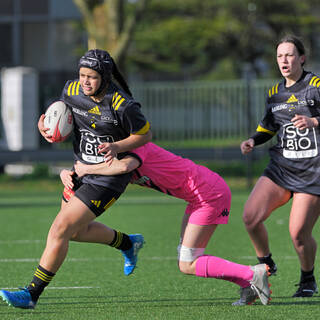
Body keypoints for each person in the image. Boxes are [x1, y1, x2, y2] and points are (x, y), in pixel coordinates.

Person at [0, 49, 152, 309]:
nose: (85, 82)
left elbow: (144, 136)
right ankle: (128, 243)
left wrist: (117, 146)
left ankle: (31, 294)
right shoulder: (71, 91)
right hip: (81, 170)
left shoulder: (122, 104)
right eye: (82, 75)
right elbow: (62, 120)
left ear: (104, 77)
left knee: (60, 229)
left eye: (91, 77)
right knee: (76, 233)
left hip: (109, 177)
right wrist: (47, 129)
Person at [60, 142, 271, 306]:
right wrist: (66, 173)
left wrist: (85, 169)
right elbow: (94, 169)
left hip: (209, 194)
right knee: (186, 255)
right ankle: (247, 284)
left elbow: (123, 166)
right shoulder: (112, 153)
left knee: (187, 262)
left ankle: (252, 274)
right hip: (200, 196)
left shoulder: (134, 147)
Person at [240, 35, 320, 298]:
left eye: (289, 55)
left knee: (298, 232)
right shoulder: (275, 93)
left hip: (312, 171)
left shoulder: (316, 86)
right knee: (250, 217)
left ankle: (307, 279)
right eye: (279, 56)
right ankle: (267, 263)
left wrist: (314, 122)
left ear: (301, 58)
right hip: (281, 168)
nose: (284, 60)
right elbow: (268, 126)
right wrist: (253, 139)